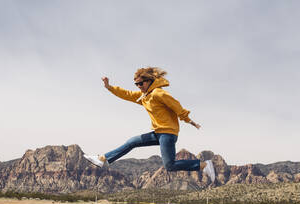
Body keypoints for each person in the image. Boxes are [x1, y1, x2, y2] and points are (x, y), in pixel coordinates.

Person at [84, 67, 215, 182]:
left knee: (169, 166)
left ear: (149, 81)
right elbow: (127, 94)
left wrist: (189, 121)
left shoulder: (159, 93)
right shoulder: (144, 96)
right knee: (132, 142)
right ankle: (102, 159)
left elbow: (177, 106)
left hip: (168, 133)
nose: (139, 86)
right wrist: (109, 87)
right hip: (158, 133)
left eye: (141, 83)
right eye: (136, 84)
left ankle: (203, 165)